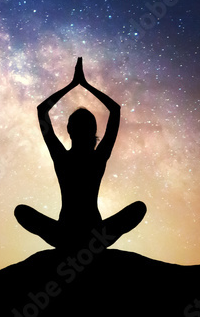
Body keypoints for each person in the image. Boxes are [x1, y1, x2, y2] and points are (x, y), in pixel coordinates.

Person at [14, 57, 146, 252]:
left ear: (69, 130)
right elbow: (115, 110)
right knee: (138, 208)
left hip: (68, 234)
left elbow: (42, 110)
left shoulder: (64, 157)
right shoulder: (96, 157)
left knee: (138, 208)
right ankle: (84, 247)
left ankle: (74, 245)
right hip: (91, 236)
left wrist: (75, 85)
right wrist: (83, 85)